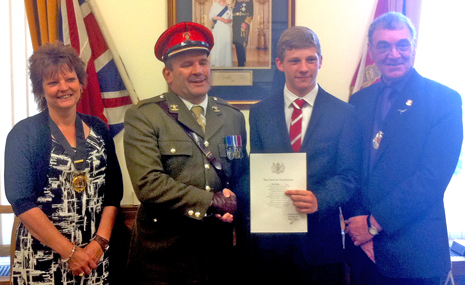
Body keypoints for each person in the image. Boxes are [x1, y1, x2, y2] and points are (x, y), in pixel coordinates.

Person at [124, 22, 249, 285]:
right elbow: (148, 184)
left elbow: (239, 173)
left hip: (218, 254)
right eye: (187, 64)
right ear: (168, 74)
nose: (198, 71)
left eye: (203, 62)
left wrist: (235, 204)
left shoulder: (232, 117)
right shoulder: (145, 116)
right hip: (165, 257)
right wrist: (210, 201)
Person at [345, 12, 463, 285]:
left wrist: (373, 225)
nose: (393, 54)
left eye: (402, 44)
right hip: (363, 255)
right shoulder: (359, 101)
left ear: (413, 46)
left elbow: (431, 179)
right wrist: (358, 227)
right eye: (383, 46)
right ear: (372, 50)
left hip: (415, 256)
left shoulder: (443, 100)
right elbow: (349, 170)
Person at [248, 26, 361, 284]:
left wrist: (318, 198)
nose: (304, 68)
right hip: (271, 247)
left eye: (311, 59)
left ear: (320, 60)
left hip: (321, 245)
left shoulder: (344, 114)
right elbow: (258, 169)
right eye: (295, 60)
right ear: (280, 63)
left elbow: (349, 176)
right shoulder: (260, 113)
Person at [4, 41, 123, 284]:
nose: (63, 87)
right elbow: (21, 201)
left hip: (93, 258)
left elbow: (113, 193)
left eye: (69, 79)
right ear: (40, 90)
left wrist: (99, 243)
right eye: (52, 82)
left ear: (81, 84)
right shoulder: (24, 134)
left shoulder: (99, 129)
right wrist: (69, 252)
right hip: (42, 261)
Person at [209, 0, 233, 67]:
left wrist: (228, 20)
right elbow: (211, 16)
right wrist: (220, 18)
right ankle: (217, 63)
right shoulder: (215, 4)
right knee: (218, 43)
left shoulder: (228, 6)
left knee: (226, 43)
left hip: (226, 27)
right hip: (218, 27)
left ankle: (227, 64)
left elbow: (231, 17)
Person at [231, 0, 253, 67]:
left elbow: (251, 13)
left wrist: (246, 22)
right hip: (235, 24)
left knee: (242, 43)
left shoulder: (249, 1)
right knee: (237, 43)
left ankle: (241, 63)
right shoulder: (234, 1)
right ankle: (241, 61)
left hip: (243, 24)